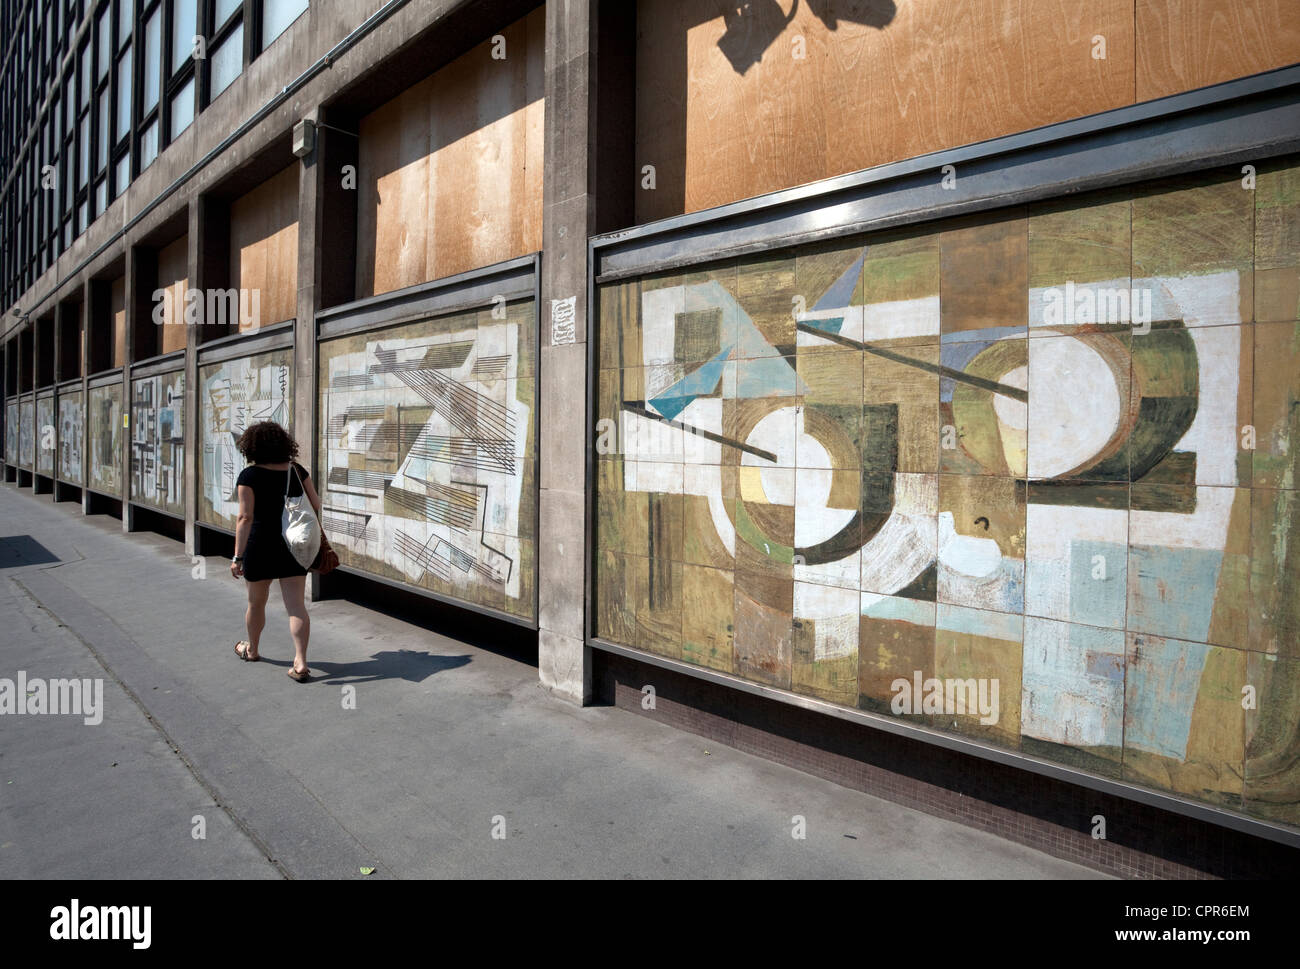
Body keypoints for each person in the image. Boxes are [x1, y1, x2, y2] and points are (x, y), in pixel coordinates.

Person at [229, 420, 337, 681]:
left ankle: (252, 649)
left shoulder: (249, 476)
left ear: (252, 447)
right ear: (283, 443)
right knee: (296, 606)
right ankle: (300, 662)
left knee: (256, 603)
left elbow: (245, 517)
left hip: (259, 547)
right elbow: (316, 504)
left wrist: (237, 557)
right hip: (294, 546)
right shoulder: (297, 470)